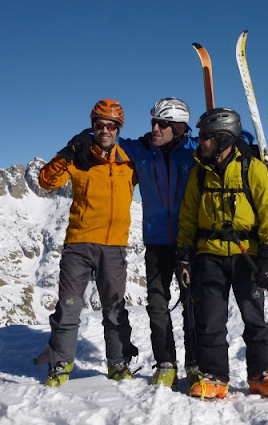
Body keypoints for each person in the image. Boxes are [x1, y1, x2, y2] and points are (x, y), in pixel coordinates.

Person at [176, 107, 268, 399]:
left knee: (255, 318)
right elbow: (187, 215)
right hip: (209, 254)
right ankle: (215, 376)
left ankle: (261, 374)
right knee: (210, 318)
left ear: (223, 139)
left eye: (205, 137)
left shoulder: (253, 169)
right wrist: (184, 254)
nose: (200, 141)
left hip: (246, 253)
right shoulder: (200, 171)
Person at [33, 98, 139, 387]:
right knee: (68, 307)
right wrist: (67, 152)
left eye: (111, 126)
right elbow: (46, 181)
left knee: (115, 309)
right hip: (78, 246)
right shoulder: (80, 157)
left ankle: (118, 363)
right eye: (99, 125)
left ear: (118, 129)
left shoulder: (130, 161)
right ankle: (61, 363)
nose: (105, 130)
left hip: (114, 248)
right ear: (93, 126)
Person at [116, 98, 199, 387]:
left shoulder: (194, 150)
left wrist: (238, 138)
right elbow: (109, 139)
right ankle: (166, 362)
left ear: (178, 128)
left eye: (162, 123)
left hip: (189, 241)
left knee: (192, 303)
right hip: (156, 242)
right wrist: (85, 136)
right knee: (156, 304)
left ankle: (195, 362)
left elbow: (235, 140)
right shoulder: (142, 151)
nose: (154, 127)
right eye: (153, 121)